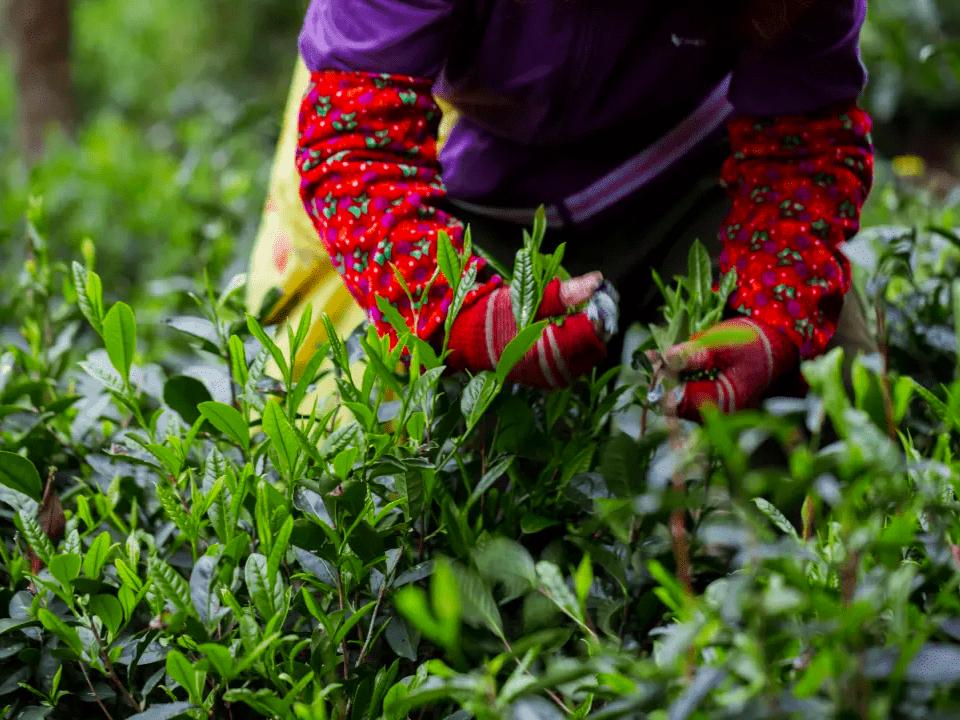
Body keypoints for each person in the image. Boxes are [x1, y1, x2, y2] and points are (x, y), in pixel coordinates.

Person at [249, 0, 876, 418]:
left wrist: (773, 318)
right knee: (363, 429)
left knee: (827, 392)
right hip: (459, 178)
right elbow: (358, 146)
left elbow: (804, 138)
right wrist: (453, 311)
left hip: (690, 160)